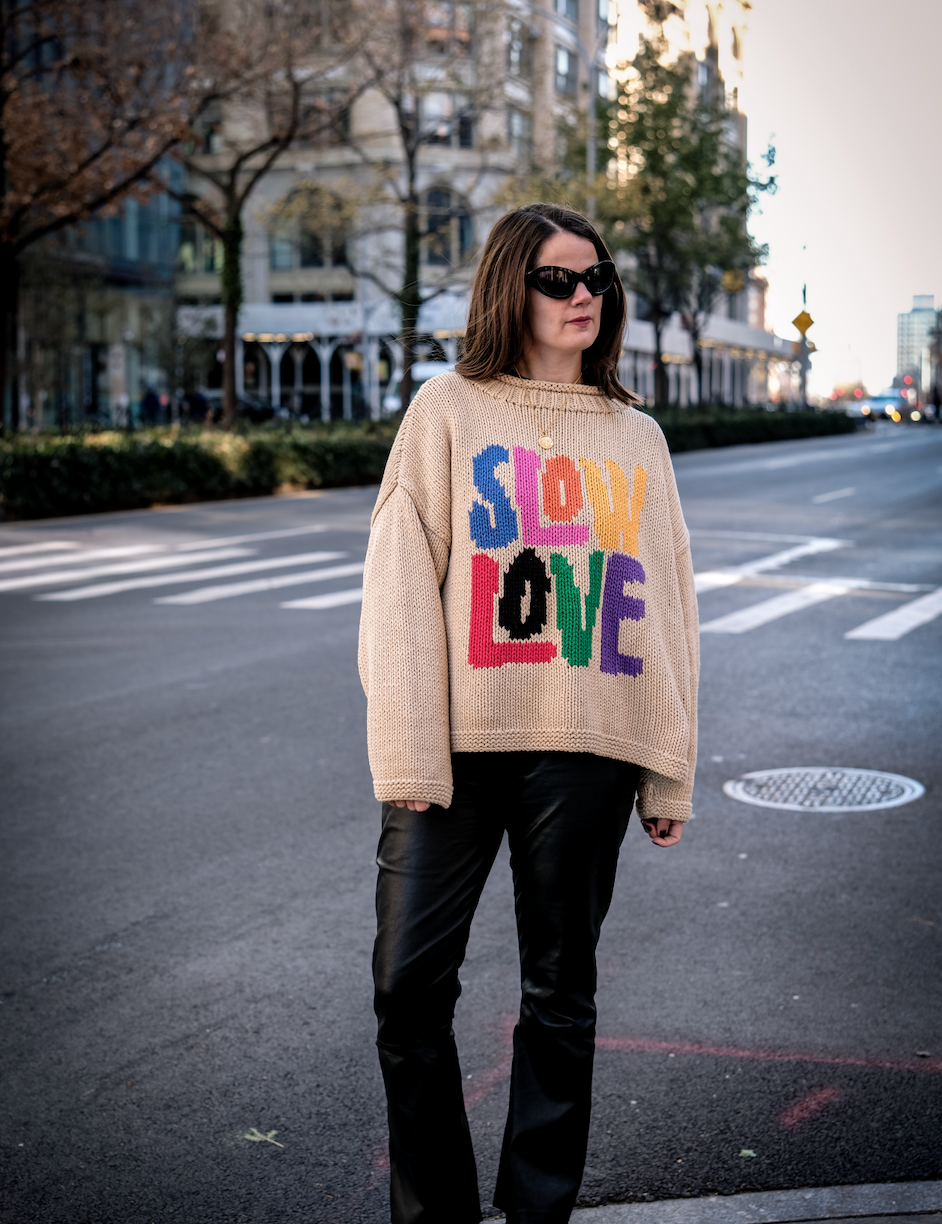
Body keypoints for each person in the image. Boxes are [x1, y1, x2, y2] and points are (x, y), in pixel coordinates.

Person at [358, 203, 699, 1224]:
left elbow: (671, 607)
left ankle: (538, 1208)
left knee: (560, 997)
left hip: (587, 752)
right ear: (515, 288)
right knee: (406, 990)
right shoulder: (448, 411)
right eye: (559, 280)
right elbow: (399, 588)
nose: (583, 294)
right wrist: (410, 754)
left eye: (596, 277)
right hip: (453, 753)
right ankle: (438, 1215)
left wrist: (668, 770)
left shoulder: (636, 436)